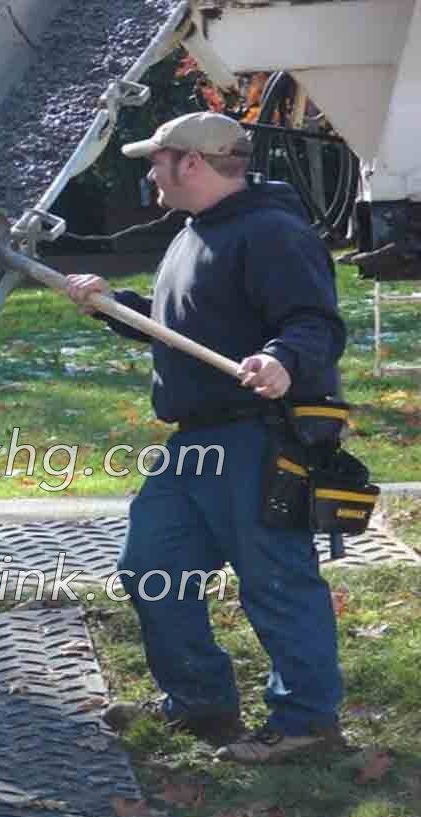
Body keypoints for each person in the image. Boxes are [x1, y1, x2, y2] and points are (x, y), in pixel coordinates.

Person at [66, 112, 348, 764]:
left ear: (190, 162)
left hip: (259, 438)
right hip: (193, 443)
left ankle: (307, 723)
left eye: (156, 160)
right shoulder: (195, 233)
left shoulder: (273, 233)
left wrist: (281, 358)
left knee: (276, 580)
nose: (150, 172)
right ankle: (201, 704)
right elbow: (183, 328)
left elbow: (315, 323)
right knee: (152, 567)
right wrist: (115, 306)